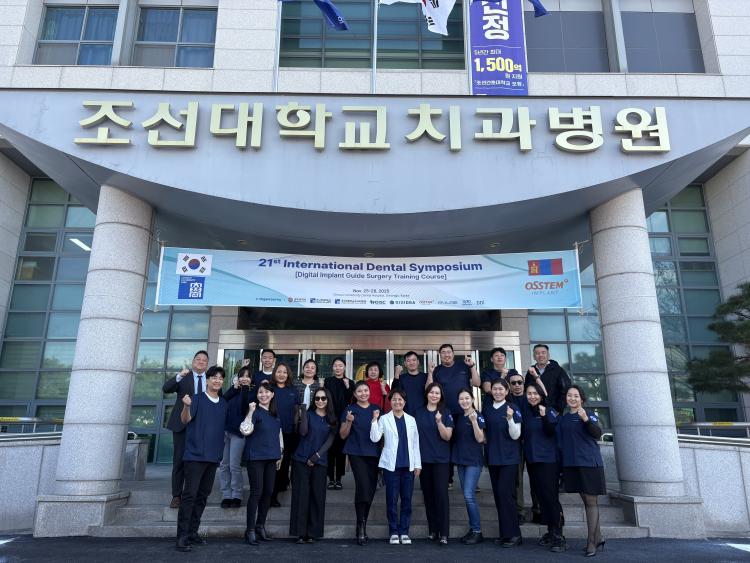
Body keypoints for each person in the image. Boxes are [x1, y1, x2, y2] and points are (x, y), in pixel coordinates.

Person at [175, 365, 228, 552]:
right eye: (214, 377)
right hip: (195, 456)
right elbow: (185, 420)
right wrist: (186, 406)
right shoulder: (197, 399)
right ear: (207, 380)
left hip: (213, 458)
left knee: (202, 497)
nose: (217, 381)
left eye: (220, 378)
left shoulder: (224, 404)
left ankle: (192, 532)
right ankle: (182, 536)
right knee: (189, 496)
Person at [557, 385, 606, 557]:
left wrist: (586, 420)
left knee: (591, 502)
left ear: (582, 399)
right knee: (585, 501)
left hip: (589, 463)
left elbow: (597, 433)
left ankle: (591, 542)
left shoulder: (588, 414)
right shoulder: (563, 419)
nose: (572, 398)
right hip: (572, 464)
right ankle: (598, 537)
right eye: (569, 395)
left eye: (576, 396)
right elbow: (561, 443)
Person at [370, 389, 421, 545]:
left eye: (400, 400)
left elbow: (415, 444)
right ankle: (393, 531)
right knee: (391, 500)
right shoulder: (384, 419)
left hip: (408, 466)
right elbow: (375, 438)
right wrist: (374, 421)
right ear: (390, 402)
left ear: (404, 402)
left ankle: (404, 532)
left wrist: (417, 464)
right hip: (391, 466)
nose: (397, 402)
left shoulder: (411, 420)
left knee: (407, 500)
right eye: (394, 400)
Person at [427, 344, 481, 487]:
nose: (446, 355)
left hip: (465, 412)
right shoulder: (437, 370)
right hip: (446, 413)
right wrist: (430, 373)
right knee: (447, 444)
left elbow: (477, 383)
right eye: (443, 352)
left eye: (449, 352)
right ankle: (448, 479)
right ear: (440, 355)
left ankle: (471, 481)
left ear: (453, 353)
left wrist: (472, 366)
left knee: (467, 442)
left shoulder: (464, 366)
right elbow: (428, 389)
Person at [521, 381, 566, 552]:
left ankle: (559, 535)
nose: (532, 396)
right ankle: (550, 531)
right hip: (533, 461)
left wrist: (545, 415)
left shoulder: (549, 410)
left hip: (548, 461)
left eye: (535, 394)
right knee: (541, 498)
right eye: (529, 394)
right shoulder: (527, 412)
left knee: (551, 498)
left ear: (541, 395)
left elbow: (551, 431)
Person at [163, 350, 210, 509]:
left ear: (207, 364)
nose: (201, 362)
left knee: (199, 462)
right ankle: (176, 495)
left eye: (204, 360)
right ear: (193, 361)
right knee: (179, 461)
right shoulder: (184, 377)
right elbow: (166, 388)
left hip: (202, 426)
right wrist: (178, 376)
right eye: (198, 359)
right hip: (182, 425)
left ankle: (194, 493)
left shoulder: (211, 379)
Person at [290, 388, 338, 543]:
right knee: (301, 496)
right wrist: (303, 412)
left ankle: (312, 532)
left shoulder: (332, 419)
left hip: (320, 461)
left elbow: (330, 441)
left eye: (323, 398)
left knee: (317, 497)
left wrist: (316, 456)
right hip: (301, 459)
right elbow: (303, 432)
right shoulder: (309, 414)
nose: (320, 401)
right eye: (317, 398)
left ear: (328, 400)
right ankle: (300, 533)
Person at [239, 382, 283, 546]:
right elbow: (245, 430)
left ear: (272, 395)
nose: (263, 395)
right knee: (256, 492)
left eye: (266, 392)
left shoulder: (275, 414)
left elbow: (278, 436)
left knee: (268, 492)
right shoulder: (255, 412)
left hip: (272, 457)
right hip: (256, 457)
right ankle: (249, 530)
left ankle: (260, 526)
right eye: (260, 392)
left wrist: (280, 454)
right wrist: (250, 412)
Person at [482, 379, 523, 548]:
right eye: (495, 389)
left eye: (501, 389)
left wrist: (510, 419)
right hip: (493, 458)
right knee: (499, 496)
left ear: (507, 391)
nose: (497, 392)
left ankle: (515, 534)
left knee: (506, 494)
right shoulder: (487, 409)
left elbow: (516, 435)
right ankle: (505, 533)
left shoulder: (513, 408)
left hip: (509, 459)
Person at [339, 381, 381, 545]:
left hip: (374, 454)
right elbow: (342, 435)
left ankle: (362, 523)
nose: (363, 393)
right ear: (355, 394)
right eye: (360, 391)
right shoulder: (350, 410)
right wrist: (349, 421)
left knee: (370, 490)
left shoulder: (376, 409)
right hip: (356, 453)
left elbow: (382, 434)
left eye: (366, 390)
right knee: (363, 487)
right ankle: (361, 525)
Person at [414, 382, 453, 545]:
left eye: (437, 393)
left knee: (441, 495)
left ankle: (444, 533)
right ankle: (433, 530)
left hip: (441, 461)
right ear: (427, 394)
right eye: (432, 392)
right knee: (428, 496)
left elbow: (447, 437)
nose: (434, 395)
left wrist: (439, 422)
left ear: (441, 396)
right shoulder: (418, 413)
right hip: (424, 460)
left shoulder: (446, 412)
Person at [509, 371, 544, 524]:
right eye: (513, 383)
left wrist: (536, 376)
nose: (517, 385)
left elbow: (545, 395)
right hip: (514, 445)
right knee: (517, 479)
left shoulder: (531, 399)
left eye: (520, 382)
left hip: (532, 444)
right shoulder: (507, 400)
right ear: (509, 386)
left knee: (536, 478)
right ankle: (519, 511)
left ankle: (538, 510)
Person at [451, 388, 486, 545]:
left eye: (467, 398)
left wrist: (474, 422)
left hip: (473, 461)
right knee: (467, 496)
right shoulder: (459, 417)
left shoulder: (478, 416)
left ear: (472, 399)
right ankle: (473, 529)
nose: (464, 401)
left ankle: (477, 531)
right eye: (461, 399)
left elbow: (480, 439)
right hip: (461, 460)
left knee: (469, 495)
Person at [219, 366, 251, 509]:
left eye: (247, 376)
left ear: (251, 379)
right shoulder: (233, 390)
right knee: (224, 465)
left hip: (239, 433)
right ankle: (226, 494)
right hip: (226, 432)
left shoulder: (252, 392)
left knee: (234, 465)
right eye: (242, 376)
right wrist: (234, 388)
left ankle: (237, 494)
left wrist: (244, 388)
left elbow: (244, 408)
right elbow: (222, 401)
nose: (244, 378)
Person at [270, 363, 301, 507]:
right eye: (279, 371)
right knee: (274, 463)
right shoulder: (269, 389)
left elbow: (297, 411)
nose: (281, 374)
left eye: (284, 372)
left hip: (288, 432)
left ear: (288, 374)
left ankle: (281, 484)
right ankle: (272, 496)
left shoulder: (293, 390)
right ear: (274, 373)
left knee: (285, 463)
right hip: (272, 432)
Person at [323, 357, 353, 490]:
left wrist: (347, 387)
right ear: (332, 367)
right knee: (330, 449)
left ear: (344, 367)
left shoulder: (350, 382)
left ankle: (339, 478)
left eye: (340, 365)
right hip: (329, 418)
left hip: (343, 419)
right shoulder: (327, 381)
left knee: (341, 450)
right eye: (335, 365)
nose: (338, 368)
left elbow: (351, 399)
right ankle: (330, 478)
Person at [525, 344, 571, 414]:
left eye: (543, 353)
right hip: (534, 412)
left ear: (548, 355)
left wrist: (558, 409)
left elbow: (566, 390)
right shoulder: (530, 372)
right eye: (537, 353)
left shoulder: (558, 370)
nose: (540, 355)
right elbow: (526, 390)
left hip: (553, 412)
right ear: (534, 357)